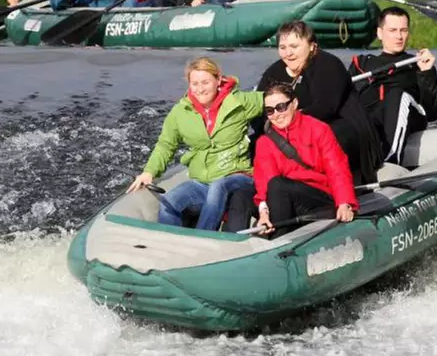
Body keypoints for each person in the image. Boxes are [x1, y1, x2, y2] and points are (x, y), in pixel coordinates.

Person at [126, 57, 263, 231]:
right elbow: (166, 145)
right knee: (170, 203)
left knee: (218, 185)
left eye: (205, 82)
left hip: (237, 176)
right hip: (201, 181)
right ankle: (171, 242)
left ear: (218, 80)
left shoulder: (240, 102)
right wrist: (149, 171)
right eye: (195, 84)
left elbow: (275, 100)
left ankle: (202, 236)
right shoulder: (180, 112)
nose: (200, 89)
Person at [254, 20, 382, 185]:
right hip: (287, 130)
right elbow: (259, 108)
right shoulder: (273, 73)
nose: (288, 53)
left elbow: (326, 107)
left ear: (312, 46)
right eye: (282, 47)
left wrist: (289, 121)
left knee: (325, 136)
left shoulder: (328, 65)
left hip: (340, 126)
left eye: (294, 46)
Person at [252, 83, 358, 238]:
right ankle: (274, 237)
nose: (276, 115)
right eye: (270, 110)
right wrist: (263, 213)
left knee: (278, 185)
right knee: (268, 188)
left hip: (320, 195)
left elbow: (336, 167)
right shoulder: (264, 142)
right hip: (286, 197)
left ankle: (277, 240)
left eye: (281, 107)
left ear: (294, 103)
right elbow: (265, 181)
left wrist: (344, 203)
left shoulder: (318, 129)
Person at [349, 7, 437, 164]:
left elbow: (432, 112)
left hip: (406, 112)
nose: (399, 36)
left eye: (403, 30)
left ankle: (391, 159)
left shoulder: (418, 64)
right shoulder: (362, 63)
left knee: (396, 95)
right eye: (392, 30)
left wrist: (427, 72)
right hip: (371, 119)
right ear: (380, 33)